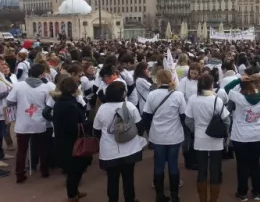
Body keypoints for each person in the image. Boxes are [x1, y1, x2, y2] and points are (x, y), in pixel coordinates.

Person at [93, 81, 147, 202]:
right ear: (123, 94)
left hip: (110, 151)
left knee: (112, 178)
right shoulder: (130, 106)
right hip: (130, 148)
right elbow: (140, 126)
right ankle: (130, 199)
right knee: (128, 177)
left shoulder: (102, 108)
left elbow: (96, 130)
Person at [185, 74, 230, 202]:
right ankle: (213, 199)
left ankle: (202, 199)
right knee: (215, 170)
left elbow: (188, 120)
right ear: (212, 84)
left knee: (201, 170)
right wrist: (224, 133)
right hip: (216, 138)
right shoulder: (217, 100)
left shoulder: (193, 99)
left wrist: (196, 129)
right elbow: (226, 120)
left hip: (200, 137)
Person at [224, 72, 260, 201]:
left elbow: (226, 89)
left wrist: (238, 80)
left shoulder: (239, 98)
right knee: (255, 164)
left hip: (240, 136)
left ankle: (242, 192)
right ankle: (257, 192)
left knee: (242, 165)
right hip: (256, 135)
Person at [143, 70, 186, 202]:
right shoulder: (178, 95)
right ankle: (174, 195)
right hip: (174, 136)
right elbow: (183, 116)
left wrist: (151, 128)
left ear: (158, 80)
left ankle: (159, 195)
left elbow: (146, 116)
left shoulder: (152, 95)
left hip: (158, 135)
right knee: (173, 164)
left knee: (159, 164)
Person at [7, 64, 52, 183]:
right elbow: (48, 105)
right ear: (41, 75)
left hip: (23, 122)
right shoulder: (45, 87)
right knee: (43, 148)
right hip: (39, 122)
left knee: (22, 150)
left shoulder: (19, 85)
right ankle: (44, 171)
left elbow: (9, 101)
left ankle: (19, 174)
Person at [51, 77, 91, 202]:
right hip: (72, 142)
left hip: (63, 141)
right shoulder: (70, 105)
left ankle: (74, 192)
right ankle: (72, 196)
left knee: (73, 170)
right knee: (75, 170)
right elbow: (73, 127)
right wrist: (87, 123)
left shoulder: (60, 102)